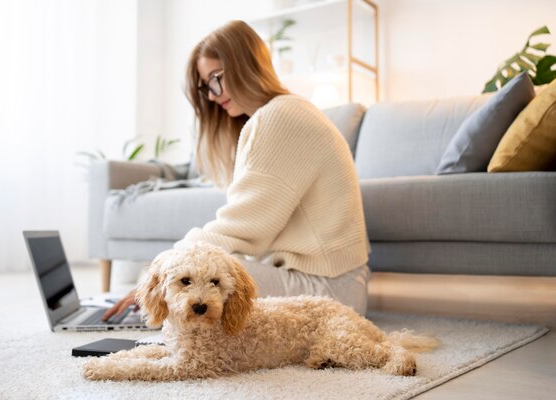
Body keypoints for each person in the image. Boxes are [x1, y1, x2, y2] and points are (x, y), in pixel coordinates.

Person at [103, 20, 370, 321]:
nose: (213, 95)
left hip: (327, 290)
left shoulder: (279, 116)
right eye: (207, 87)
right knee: (198, 279)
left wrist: (161, 269)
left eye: (216, 78)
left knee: (189, 281)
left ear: (245, 65)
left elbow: (242, 227)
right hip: (337, 285)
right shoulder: (286, 111)